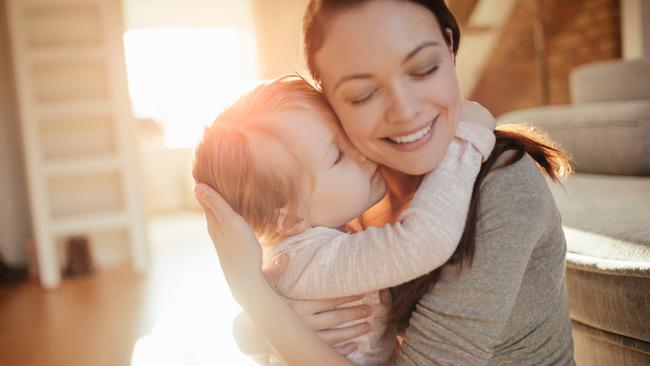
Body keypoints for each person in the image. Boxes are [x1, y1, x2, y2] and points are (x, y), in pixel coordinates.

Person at [194, 0, 575, 365]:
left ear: (450, 45)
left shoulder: (502, 187)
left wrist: (263, 308)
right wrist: (262, 317)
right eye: (363, 94)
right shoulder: (357, 188)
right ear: (330, 101)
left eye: (424, 68)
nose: (405, 110)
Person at [193, 75, 495, 365]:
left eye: (344, 135)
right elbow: (423, 242)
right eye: (338, 155)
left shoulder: (295, 251)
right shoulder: (312, 261)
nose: (360, 152)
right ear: (289, 220)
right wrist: (463, 141)